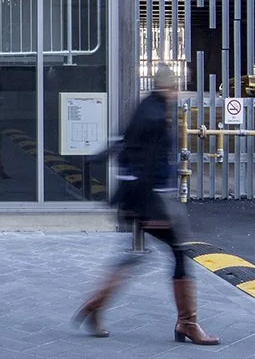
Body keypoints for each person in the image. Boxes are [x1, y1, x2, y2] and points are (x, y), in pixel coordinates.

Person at [73, 65, 218, 344]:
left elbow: (122, 146)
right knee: (177, 252)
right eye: (175, 88)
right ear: (167, 88)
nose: (177, 93)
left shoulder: (146, 107)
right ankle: (187, 323)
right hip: (149, 200)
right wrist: (153, 210)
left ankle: (95, 304)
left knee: (135, 254)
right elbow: (146, 165)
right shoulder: (154, 116)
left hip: (139, 198)